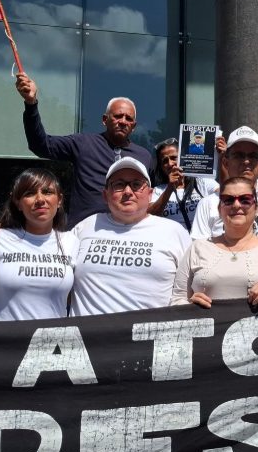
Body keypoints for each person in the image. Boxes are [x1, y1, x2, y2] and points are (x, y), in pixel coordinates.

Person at [15, 73, 154, 228]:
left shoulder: (144, 156)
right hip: (85, 232)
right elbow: (41, 145)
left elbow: (148, 197)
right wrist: (31, 103)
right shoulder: (83, 143)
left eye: (129, 119)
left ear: (134, 126)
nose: (123, 122)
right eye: (118, 116)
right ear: (104, 120)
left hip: (129, 232)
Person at [70, 157, 190, 315]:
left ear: (150, 194)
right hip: (89, 337)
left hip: (150, 336)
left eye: (136, 185)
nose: (128, 192)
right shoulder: (84, 228)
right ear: (105, 195)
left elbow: (189, 289)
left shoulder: (175, 232)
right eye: (119, 185)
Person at [171, 177, 258, 308]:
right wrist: (190, 304)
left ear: (256, 208)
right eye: (228, 200)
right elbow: (177, 299)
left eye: (245, 200)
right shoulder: (197, 248)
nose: (236, 205)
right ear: (219, 209)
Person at [0, 168, 79, 321]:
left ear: (60, 200)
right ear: (18, 203)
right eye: (29, 193)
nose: (40, 199)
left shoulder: (72, 242)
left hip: (48, 341)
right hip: (0, 341)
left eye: (47, 192)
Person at [190, 126, 258, 248]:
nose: (246, 161)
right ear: (226, 163)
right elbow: (198, 250)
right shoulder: (207, 204)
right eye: (238, 155)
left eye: (253, 156)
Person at [149, 138, 219, 231]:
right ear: (161, 167)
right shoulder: (158, 190)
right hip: (174, 242)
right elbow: (150, 216)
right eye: (164, 161)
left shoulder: (202, 182)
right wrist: (170, 188)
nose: (170, 164)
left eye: (174, 158)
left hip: (201, 242)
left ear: (184, 157)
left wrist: (222, 159)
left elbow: (224, 196)